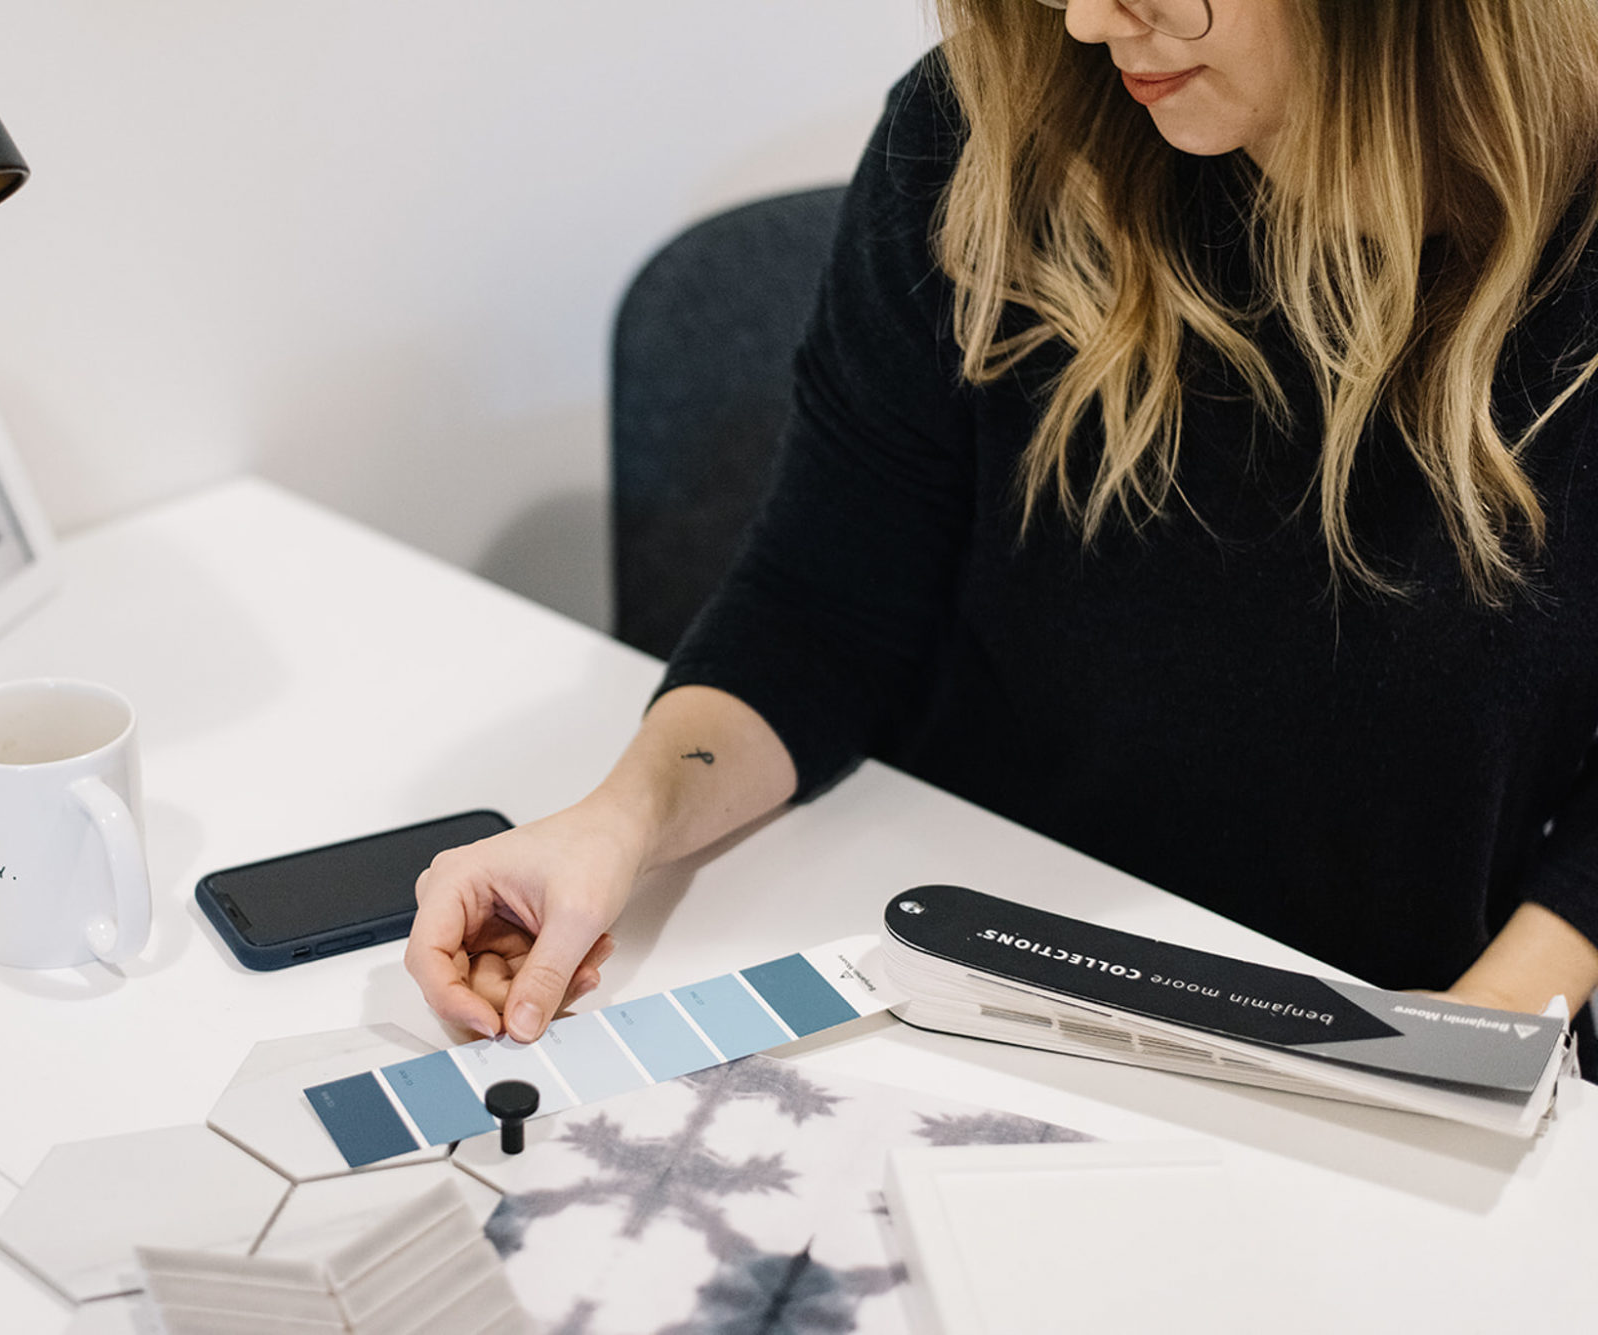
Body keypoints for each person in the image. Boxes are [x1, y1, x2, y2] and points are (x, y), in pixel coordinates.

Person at [406, 0, 1598, 1069]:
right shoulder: (984, 134)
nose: (1081, 22)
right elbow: (821, 612)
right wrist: (614, 827)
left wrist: (1469, 1039)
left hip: (1375, 1003)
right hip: (949, 964)